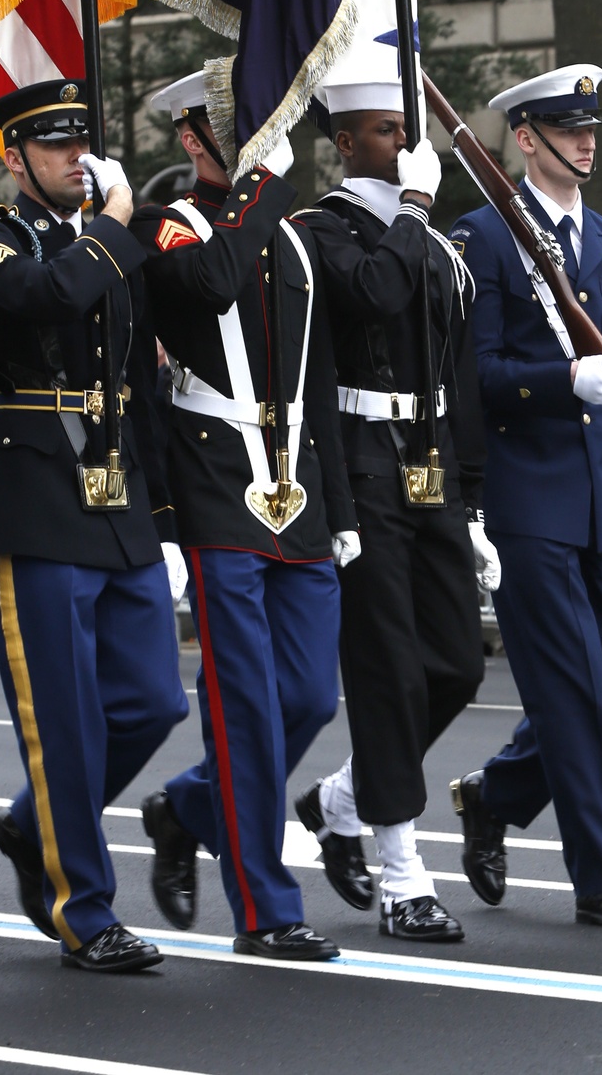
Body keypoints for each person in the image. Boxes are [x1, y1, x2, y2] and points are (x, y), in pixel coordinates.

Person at [133, 73, 358, 963]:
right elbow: (216, 281)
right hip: (217, 487)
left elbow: (319, 381)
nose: (260, 141)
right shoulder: (170, 226)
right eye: (239, 131)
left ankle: (190, 806)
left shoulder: (293, 241)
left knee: (307, 694)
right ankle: (265, 908)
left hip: (297, 494)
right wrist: (264, 188)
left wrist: (339, 507)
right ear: (195, 141)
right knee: (245, 710)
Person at [448, 64, 602, 933]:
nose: (588, 140)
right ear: (525, 138)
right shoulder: (481, 239)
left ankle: (496, 794)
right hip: (528, 500)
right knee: (578, 689)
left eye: (592, 127)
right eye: (567, 128)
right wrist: (560, 380)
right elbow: (477, 376)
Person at [0, 79, 188, 976]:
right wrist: (114, 228)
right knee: (63, 721)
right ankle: (84, 913)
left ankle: (32, 826)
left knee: (150, 702)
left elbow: (140, 380)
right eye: (55, 146)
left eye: (82, 143)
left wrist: (166, 520)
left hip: (117, 491)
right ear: (16, 159)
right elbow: (47, 298)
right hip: (36, 486)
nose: (76, 158)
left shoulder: (109, 241)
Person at [292, 78, 496, 945]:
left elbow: (458, 368)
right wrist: (413, 203)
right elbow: (372, 293)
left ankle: (340, 798)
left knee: (455, 667)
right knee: (388, 672)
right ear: (345, 142)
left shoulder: (437, 242)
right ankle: (403, 874)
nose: (404, 143)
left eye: (408, 130)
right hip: (362, 467)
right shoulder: (320, 230)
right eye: (384, 131)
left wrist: (474, 499)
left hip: (431, 464)